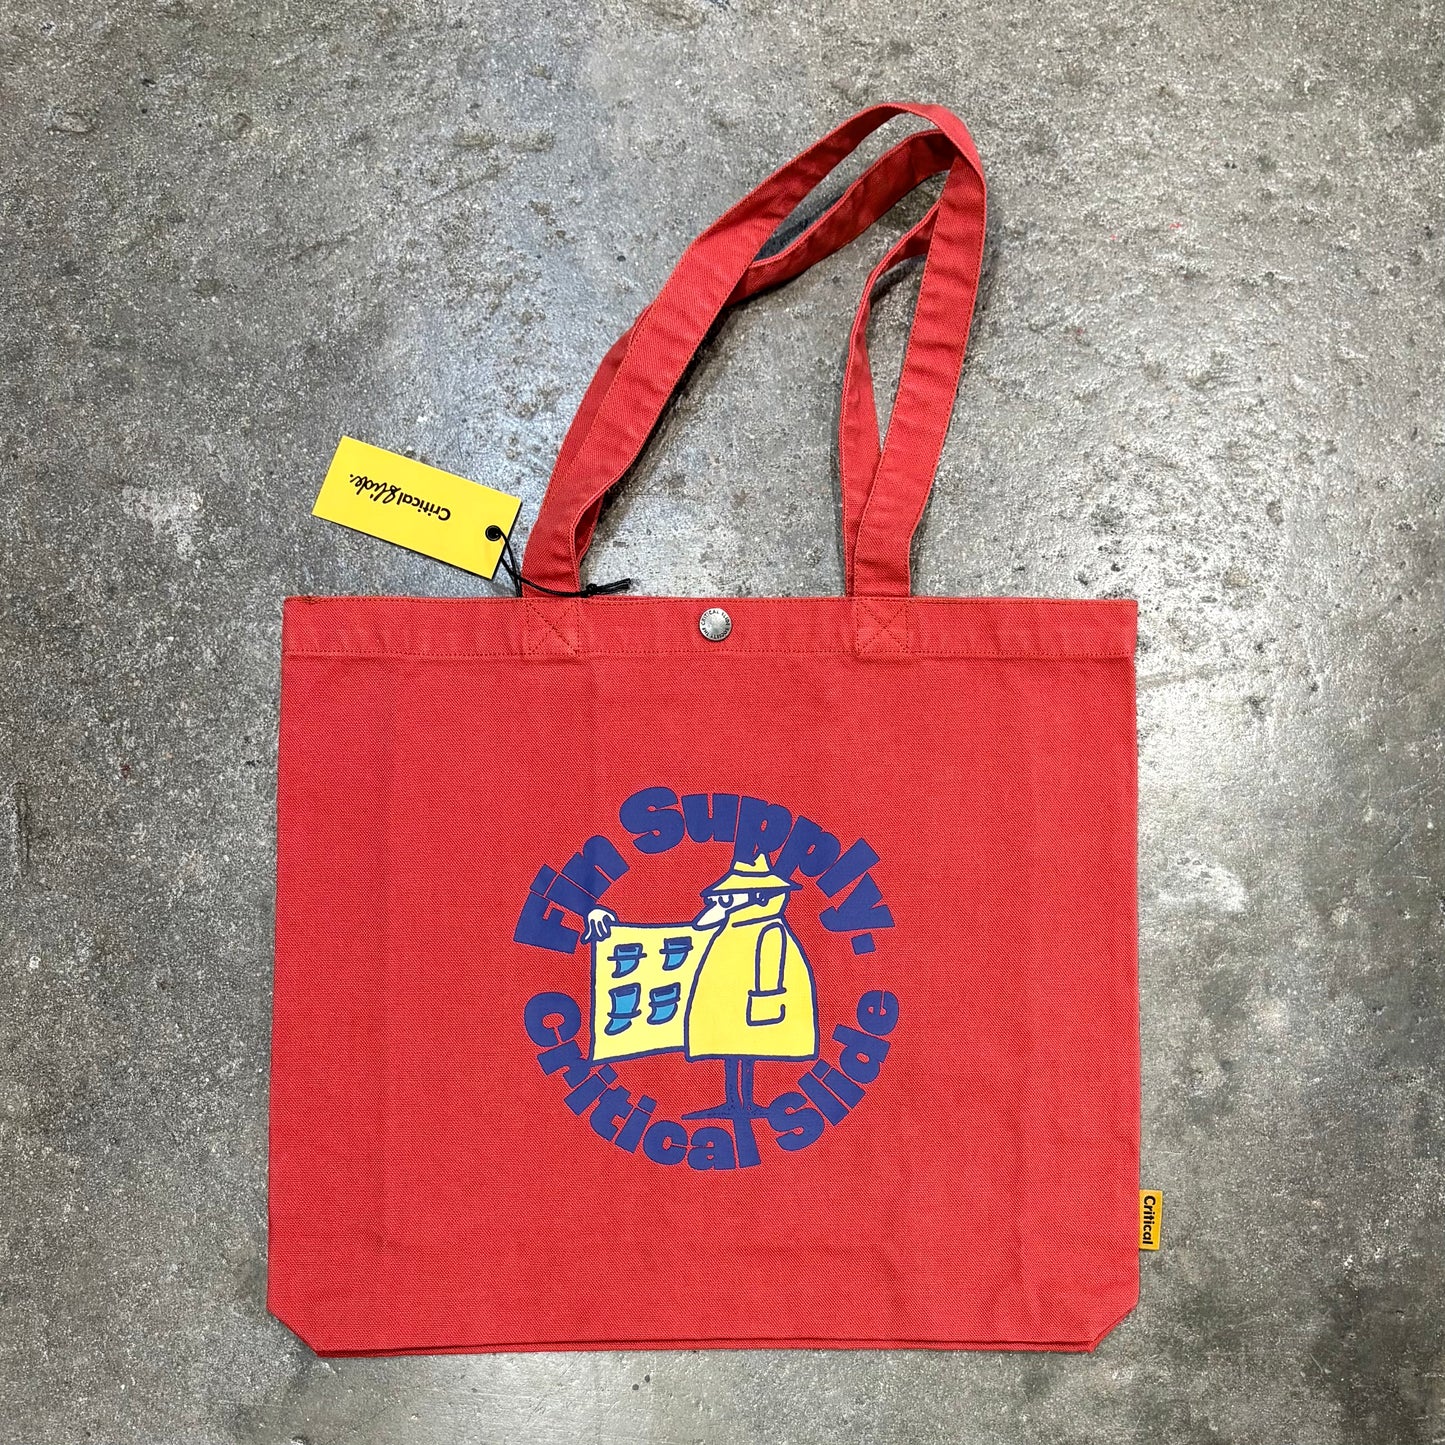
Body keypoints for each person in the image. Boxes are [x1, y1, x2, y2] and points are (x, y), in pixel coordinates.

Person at [583, 852, 819, 1122]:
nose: (720, 904)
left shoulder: (768, 929)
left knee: (747, 1050)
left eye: (728, 898)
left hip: (755, 1005)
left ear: (760, 897)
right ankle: (734, 1101)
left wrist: (765, 1004)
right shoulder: (732, 927)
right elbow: (693, 927)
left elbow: (770, 966)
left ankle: (744, 1103)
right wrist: (603, 916)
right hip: (733, 1006)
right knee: (732, 1049)